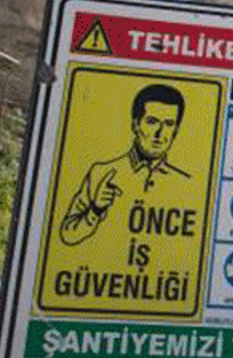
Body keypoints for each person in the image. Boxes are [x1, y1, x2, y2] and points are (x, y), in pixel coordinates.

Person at [59, 84, 189, 246]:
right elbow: (68, 235)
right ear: (135, 124)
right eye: (152, 122)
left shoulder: (186, 183)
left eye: (169, 124)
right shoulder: (102, 173)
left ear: (176, 131)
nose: (159, 133)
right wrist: (96, 209)